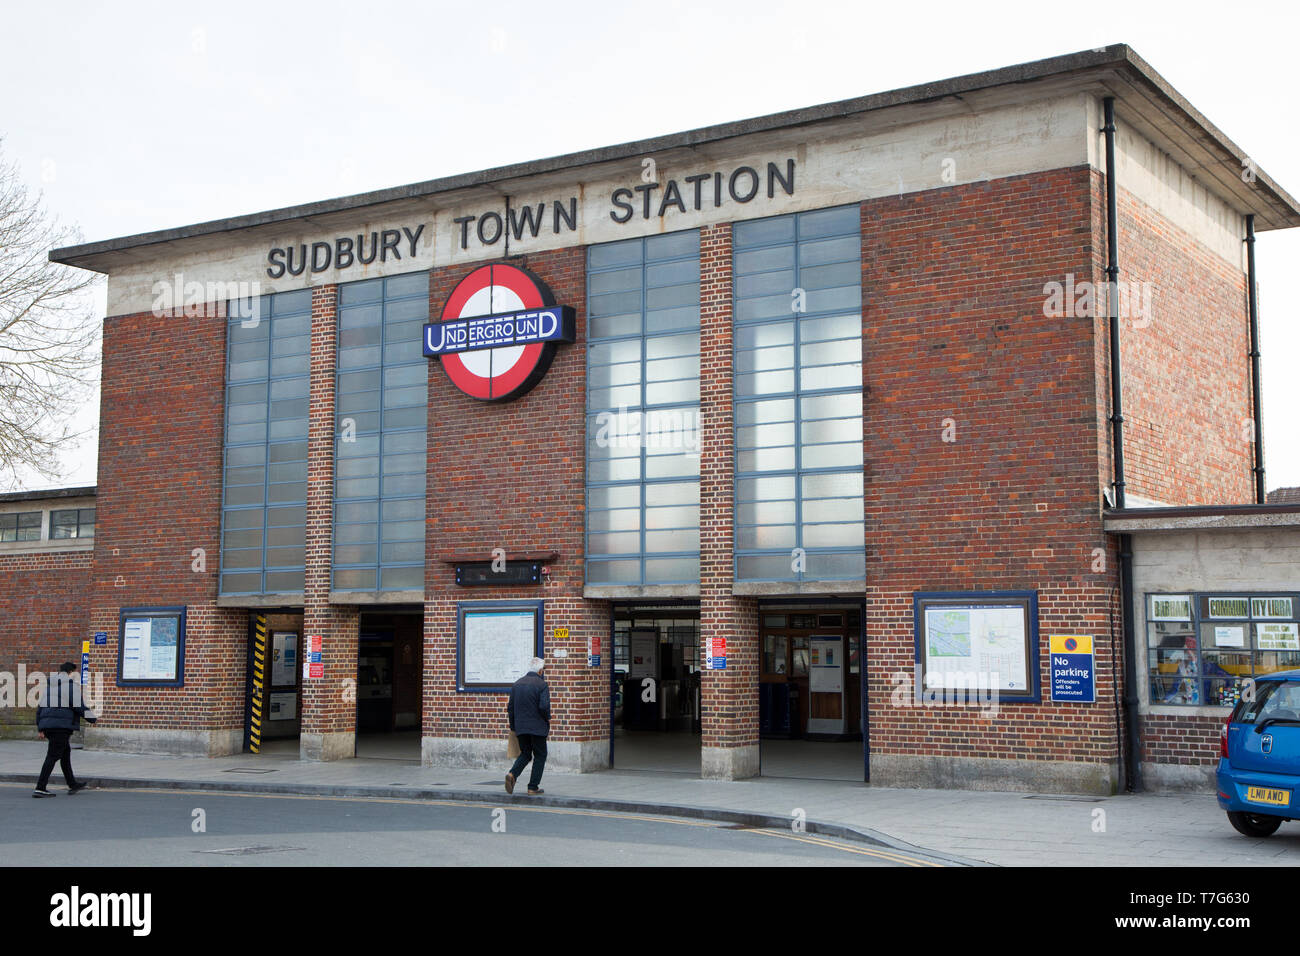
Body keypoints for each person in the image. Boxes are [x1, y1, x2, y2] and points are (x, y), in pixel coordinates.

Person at [33, 662, 96, 798]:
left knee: (65, 754)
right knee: (53, 756)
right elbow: (79, 706)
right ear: (71, 672)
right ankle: (40, 787)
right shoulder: (70, 686)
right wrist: (93, 719)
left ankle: (72, 784)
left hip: (49, 726)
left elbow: (40, 708)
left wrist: (40, 727)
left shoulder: (50, 687)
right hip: (60, 727)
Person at [505, 656, 550, 795]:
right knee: (540, 755)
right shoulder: (542, 685)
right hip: (537, 727)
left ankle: (512, 774)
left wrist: (513, 727)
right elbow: (543, 707)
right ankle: (532, 786)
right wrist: (546, 720)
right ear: (540, 671)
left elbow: (510, 708)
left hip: (521, 727)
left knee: (525, 753)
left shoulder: (517, 684)